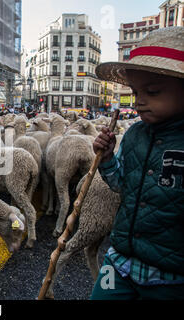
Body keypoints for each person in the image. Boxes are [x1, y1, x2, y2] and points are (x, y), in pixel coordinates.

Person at [91, 27, 184, 300]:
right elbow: (122, 184)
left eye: (152, 92)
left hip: (170, 278)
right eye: (134, 92)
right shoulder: (133, 135)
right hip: (118, 263)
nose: (139, 101)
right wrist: (106, 159)